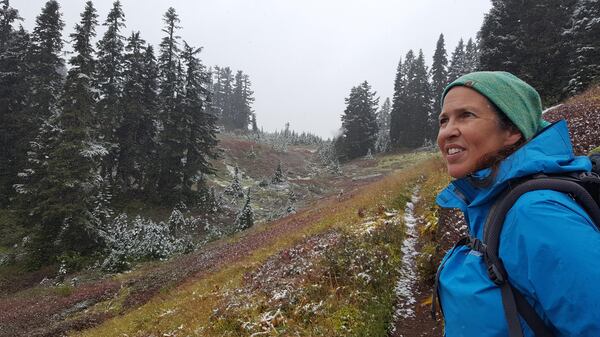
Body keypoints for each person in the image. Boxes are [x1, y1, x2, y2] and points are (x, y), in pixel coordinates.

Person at [434, 71, 600, 336]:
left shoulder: (537, 215)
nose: (447, 132)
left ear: (512, 129)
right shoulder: (492, 201)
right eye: (444, 120)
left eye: (466, 115)